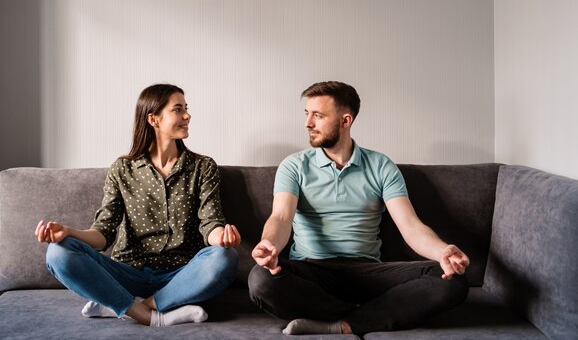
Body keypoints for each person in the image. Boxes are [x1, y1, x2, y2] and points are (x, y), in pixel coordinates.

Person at [248, 81, 470, 336]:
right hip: (312, 272)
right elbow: (281, 217)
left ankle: (342, 325)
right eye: (307, 114)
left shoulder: (381, 166)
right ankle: (373, 314)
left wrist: (444, 252)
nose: (308, 123)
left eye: (318, 116)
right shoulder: (294, 166)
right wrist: (269, 244)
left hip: (368, 273)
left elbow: (411, 227)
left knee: (451, 280)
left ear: (345, 121)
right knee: (260, 279)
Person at [35, 83, 241, 327]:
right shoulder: (122, 169)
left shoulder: (203, 167)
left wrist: (222, 238)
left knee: (225, 257)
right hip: (127, 274)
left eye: (186, 108)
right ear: (153, 119)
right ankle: (150, 315)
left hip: (181, 278)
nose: (187, 116)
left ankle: (134, 306)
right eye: (178, 109)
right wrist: (69, 233)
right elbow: (103, 235)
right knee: (57, 252)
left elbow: (211, 223)